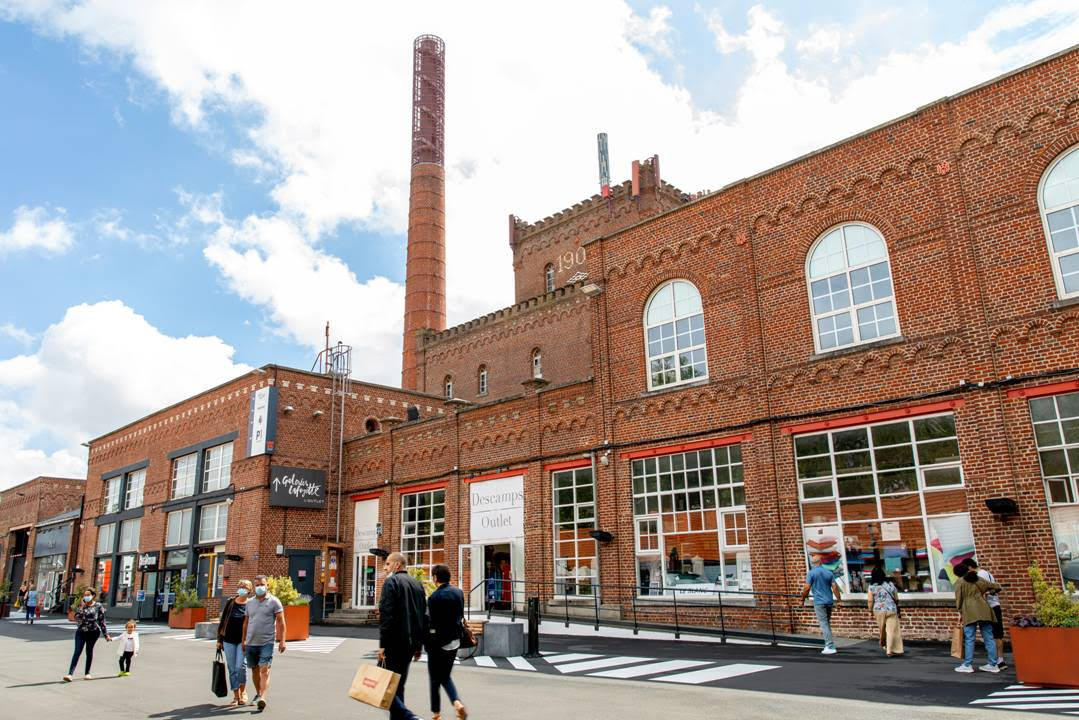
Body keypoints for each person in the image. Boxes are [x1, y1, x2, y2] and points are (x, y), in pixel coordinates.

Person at [378, 552, 427, 720]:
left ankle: (409, 717)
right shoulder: (418, 584)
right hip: (411, 643)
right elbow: (423, 616)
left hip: (394, 642)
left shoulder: (391, 582)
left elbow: (386, 614)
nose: (385, 568)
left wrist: (383, 644)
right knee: (398, 685)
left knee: (385, 686)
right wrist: (419, 645)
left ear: (397, 565)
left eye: (387, 564)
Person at [426, 564, 467, 720]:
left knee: (435, 678)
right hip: (455, 640)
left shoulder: (434, 597)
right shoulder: (458, 592)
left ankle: (436, 714)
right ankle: (457, 703)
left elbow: (431, 623)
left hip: (438, 643)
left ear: (435, 578)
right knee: (445, 675)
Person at [241, 575, 286, 712]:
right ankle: (259, 693)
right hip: (250, 642)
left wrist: (282, 640)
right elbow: (246, 623)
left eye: (261, 584)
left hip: (266, 642)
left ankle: (263, 698)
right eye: (256, 585)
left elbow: (281, 622)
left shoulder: (274, 602)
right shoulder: (249, 603)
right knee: (254, 669)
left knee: (264, 669)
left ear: (267, 586)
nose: (259, 587)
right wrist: (243, 640)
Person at [953, 561, 1001, 673]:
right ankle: (993, 664)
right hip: (984, 610)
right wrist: (990, 593)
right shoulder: (978, 579)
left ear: (957, 574)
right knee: (989, 637)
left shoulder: (959, 582)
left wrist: (959, 612)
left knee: (970, 638)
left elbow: (959, 600)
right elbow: (997, 587)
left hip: (969, 611)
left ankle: (967, 665)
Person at [63, 587, 111, 681]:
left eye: (88, 595)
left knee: (89, 651)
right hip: (81, 632)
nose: (86, 596)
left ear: (93, 595)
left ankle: (87, 673)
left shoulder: (98, 606)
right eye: (85, 595)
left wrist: (106, 635)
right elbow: (76, 617)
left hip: (93, 632)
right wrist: (81, 607)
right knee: (77, 652)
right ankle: (70, 674)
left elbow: (102, 621)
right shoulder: (82, 605)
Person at [966, 558, 1006, 669]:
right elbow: (996, 587)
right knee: (998, 633)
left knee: (989, 634)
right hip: (996, 604)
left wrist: (986, 594)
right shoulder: (987, 573)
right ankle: (1000, 660)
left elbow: (981, 592)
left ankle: (993, 662)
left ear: (969, 567)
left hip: (988, 607)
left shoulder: (979, 576)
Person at [217, 579, 252, 706]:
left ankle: (243, 692)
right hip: (228, 640)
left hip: (243, 641)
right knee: (232, 668)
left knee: (240, 667)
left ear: (249, 590)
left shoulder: (251, 604)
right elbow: (223, 621)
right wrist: (219, 640)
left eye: (245, 587)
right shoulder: (230, 602)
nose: (242, 588)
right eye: (240, 586)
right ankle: (236, 696)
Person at [801, 555, 843, 655]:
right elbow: (835, 588)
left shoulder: (811, 573)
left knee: (824, 624)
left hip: (819, 602)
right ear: (821, 562)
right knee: (827, 624)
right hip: (829, 601)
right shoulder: (829, 572)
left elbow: (806, 588)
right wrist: (839, 601)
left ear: (814, 563)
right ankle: (828, 644)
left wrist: (802, 599)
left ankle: (830, 646)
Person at [867, 565, 903, 657]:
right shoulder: (890, 584)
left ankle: (885, 645)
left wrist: (870, 611)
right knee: (891, 630)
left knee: (882, 630)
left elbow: (870, 600)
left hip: (879, 610)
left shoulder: (871, 586)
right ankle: (890, 649)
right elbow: (896, 598)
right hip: (891, 609)